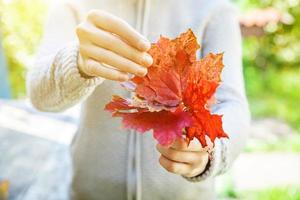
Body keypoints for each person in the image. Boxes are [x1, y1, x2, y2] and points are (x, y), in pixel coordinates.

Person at [27, 0, 250, 199]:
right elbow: (39, 95)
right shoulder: (73, 6)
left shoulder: (215, 9)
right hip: (91, 190)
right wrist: (76, 62)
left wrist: (211, 149)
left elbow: (232, 104)